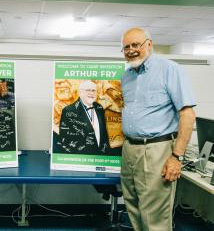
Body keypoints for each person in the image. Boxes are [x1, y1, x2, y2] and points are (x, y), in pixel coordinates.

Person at [120, 27, 196, 231]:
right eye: (126, 47)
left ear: (149, 44)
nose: (131, 50)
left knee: (155, 217)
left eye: (136, 44)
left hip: (156, 150)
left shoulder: (170, 69)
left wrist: (176, 157)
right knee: (133, 208)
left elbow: (187, 114)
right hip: (130, 150)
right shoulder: (126, 77)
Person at [55, 80, 109, 155]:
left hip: (100, 156)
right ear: (80, 93)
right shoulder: (68, 111)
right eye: (88, 90)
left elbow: (104, 134)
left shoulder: (99, 108)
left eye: (93, 90)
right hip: (80, 156)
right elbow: (64, 138)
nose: (91, 93)